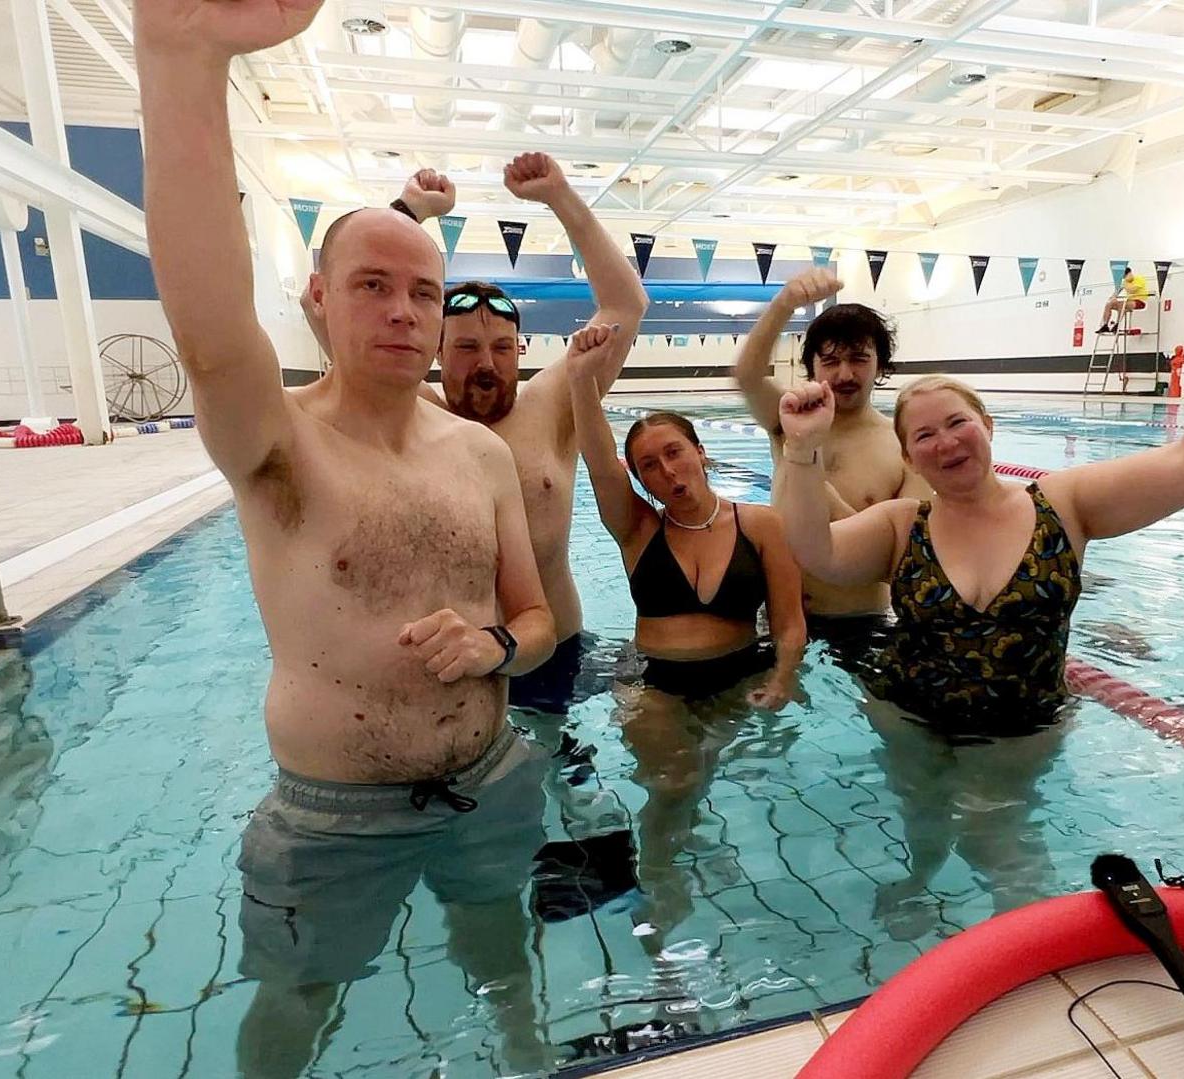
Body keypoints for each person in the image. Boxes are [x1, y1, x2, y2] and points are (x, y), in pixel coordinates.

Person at [134, 2, 560, 1074]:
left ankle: (522, 1051)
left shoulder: (477, 453)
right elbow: (207, 319)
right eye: (372, 285)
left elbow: (539, 617)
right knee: (293, 1002)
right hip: (331, 822)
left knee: (500, 944)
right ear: (319, 299)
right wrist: (182, 58)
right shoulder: (277, 442)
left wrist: (498, 649)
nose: (404, 311)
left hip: (491, 777)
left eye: (422, 290)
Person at [774, 268, 1184, 735]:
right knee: (917, 861)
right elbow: (813, 549)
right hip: (909, 723)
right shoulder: (902, 525)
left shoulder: (1062, 505)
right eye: (924, 435)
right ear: (908, 457)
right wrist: (801, 449)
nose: (946, 442)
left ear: (987, 425)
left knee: (1014, 865)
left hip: (1028, 730)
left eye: (958, 423)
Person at [306, 156, 649, 716]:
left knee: (571, 786)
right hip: (448, 665)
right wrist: (410, 212)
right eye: (466, 348)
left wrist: (560, 197)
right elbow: (324, 304)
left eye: (500, 349)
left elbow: (626, 305)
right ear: (436, 349)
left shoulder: (551, 408)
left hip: (551, 651)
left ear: (520, 353)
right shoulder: (407, 411)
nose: (485, 364)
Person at [569, 321, 805, 944]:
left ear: (701, 452)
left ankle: (686, 845)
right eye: (649, 464)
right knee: (672, 779)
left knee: (702, 774)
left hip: (740, 675)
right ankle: (662, 875)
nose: (666, 470)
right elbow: (596, 459)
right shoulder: (638, 531)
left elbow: (788, 621)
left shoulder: (760, 524)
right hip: (657, 681)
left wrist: (784, 676)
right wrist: (580, 380)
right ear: (640, 479)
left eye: (675, 452)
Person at [735, 269, 929, 624]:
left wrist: (821, 494)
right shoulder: (787, 421)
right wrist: (785, 303)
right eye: (830, 361)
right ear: (810, 366)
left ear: (880, 364)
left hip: (861, 624)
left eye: (858, 359)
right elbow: (746, 375)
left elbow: (907, 556)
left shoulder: (903, 445)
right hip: (780, 618)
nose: (844, 374)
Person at [1099, 266, 1152, 334]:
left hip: (1139, 301)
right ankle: (1105, 325)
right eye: (1124, 277)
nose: (1125, 278)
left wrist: (1125, 284)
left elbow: (1132, 290)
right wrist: (1113, 297)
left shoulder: (1139, 279)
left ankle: (1117, 325)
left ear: (1130, 273)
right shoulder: (1124, 282)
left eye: (1125, 276)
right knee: (1109, 304)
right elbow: (1117, 291)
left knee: (1122, 304)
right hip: (1128, 302)